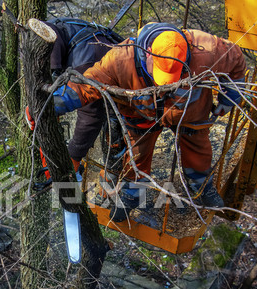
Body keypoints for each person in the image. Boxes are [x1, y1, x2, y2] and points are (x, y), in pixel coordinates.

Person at [52, 22, 246, 221]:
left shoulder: (207, 49)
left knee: (198, 150)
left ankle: (201, 185)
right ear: (149, 53)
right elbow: (88, 85)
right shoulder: (121, 59)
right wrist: (55, 103)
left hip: (189, 112)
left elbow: (237, 60)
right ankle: (132, 193)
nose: (166, 84)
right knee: (137, 154)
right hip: (142, 114)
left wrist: (229, 97)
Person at [39, 18, 123, 172]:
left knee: (115, 132)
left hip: (124, 97)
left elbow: (91, 115)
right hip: (103, 82)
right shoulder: (58, 30)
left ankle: (114, 179)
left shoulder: (82, 62)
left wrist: (75, 154)